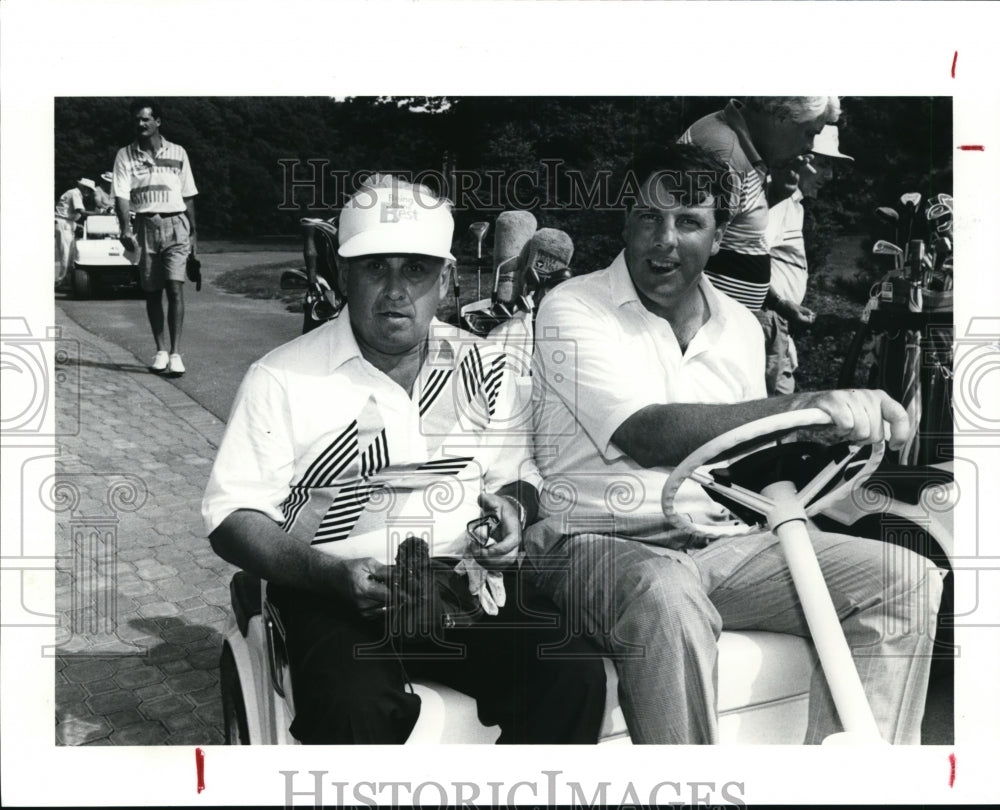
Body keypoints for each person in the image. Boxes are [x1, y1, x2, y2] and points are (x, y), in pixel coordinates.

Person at [527, 142, 944, 745]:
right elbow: (646, 434)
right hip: (586, 544)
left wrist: (821, 443)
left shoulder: (742, 327)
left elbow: (742, 455)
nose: (663, 240)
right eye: (648, 217)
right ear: (625, 223)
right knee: (666, 593)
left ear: (720, 236)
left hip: (719, 545)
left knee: (906, 578)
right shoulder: (572, 306)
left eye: (688, 221)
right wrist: (804, 406)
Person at [203, 175, 605, 745]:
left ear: (446, 280)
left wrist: (513, 511)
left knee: (571, 673)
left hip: (462, 577)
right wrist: (327, 575)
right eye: (375, 267)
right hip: (329, 587)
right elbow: (231, 517)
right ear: (344, 275)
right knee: (352, 710)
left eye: (415, 270)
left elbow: (517, 477)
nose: (395, 290)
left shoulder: (486, 365)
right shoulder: (281, 376)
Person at [680, 97, 841, 394]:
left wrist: (775, 302)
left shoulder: (743, 153)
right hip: (707, 341)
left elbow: (733, 243)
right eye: (809, 133)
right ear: (782, 117)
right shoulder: (725, 153)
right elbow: (680, 254)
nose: (809, 147)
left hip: (725, 332)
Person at [766, 124, 854, 393]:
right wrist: (781, 304)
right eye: (823, 165)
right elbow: (750, 259)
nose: (829, 176)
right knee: (776, 412)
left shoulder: (793, 204)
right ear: (801, 160)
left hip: (776, 321)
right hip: (768, 319)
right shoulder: (778, 198)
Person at [112, 100, 198, 376]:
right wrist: (125, 228)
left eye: (146, 119)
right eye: (137, 120)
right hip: (144, 226)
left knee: (175, 288)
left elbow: (188, 196)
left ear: (158, 121)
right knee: (152, 291)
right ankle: (160, 350)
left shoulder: (178, 152)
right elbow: (122, 196)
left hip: (176, 223)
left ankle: (176, 353)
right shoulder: (125, 155)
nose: (140, 124)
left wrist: (194, 235)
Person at [54, 178, 95, 288]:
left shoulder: (74, 193)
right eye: (89, 189)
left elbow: (70, 213)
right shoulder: (75, 193)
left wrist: (77, 225)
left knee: (70, 253)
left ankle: (66, 279)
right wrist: (97, 214)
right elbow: (80, 211)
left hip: (67, 222)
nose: (89, 192)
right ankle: (61, 280)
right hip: (64, 223)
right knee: (66, 253)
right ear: (84, 187)